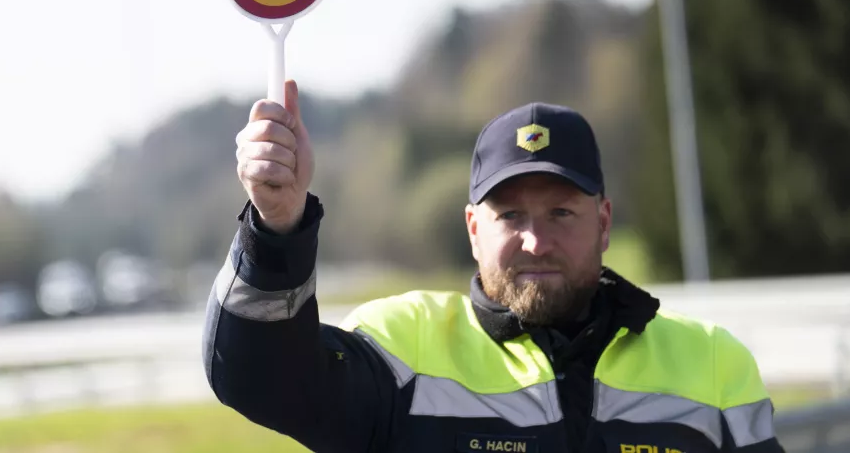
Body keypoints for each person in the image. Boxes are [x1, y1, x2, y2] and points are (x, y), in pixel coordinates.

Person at [202, 79, 784, 453]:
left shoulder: (712, 362)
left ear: (604, 223)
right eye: (509, 216)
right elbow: (261, 379)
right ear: (474, 230)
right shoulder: (407, 346)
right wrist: (276, 224)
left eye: (561, 212)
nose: (535, 241)